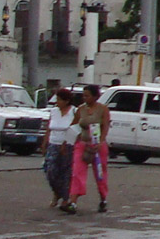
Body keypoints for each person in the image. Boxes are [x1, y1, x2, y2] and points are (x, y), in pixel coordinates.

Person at [72, 83, 112, 212]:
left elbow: (105, 126)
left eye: (87, 96)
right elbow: (74, 125)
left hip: (97, 145)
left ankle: (103, 198)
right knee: (77, 172)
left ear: (95, 96)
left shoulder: (103, 109)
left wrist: (101, 142)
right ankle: (73, 201)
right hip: (83, 144)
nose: (84, 98)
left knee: (100, 173)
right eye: (83, 96)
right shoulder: (80, 109)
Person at [41, 88, 81, 212]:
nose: (57, 102)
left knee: (66, 172)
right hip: (53, 143)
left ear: (66, 101)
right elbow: (49, 128)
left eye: (59, 99)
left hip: (68, 145)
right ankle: (57, 192)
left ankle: (65, 197)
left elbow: (76, 129)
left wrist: (69, 142)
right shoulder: (53, 112)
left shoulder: (74, 111)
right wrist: (44, 143)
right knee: (50, 170)